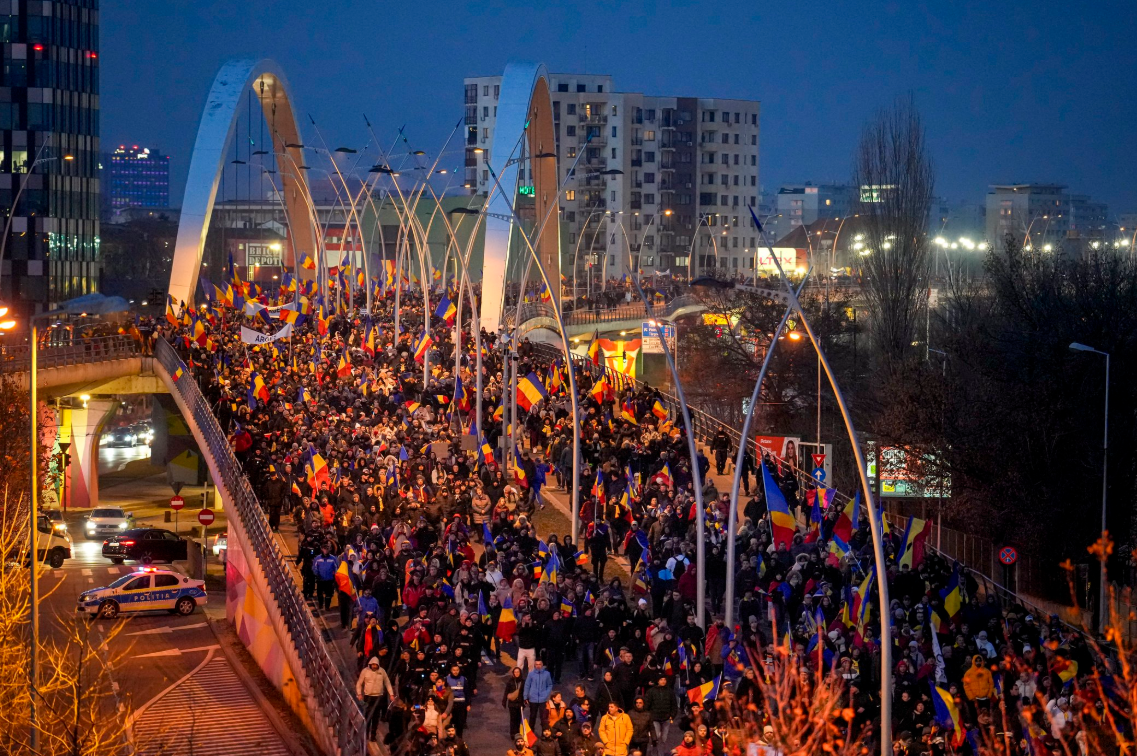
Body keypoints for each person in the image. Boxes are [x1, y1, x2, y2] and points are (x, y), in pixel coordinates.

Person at [355, 656, 395, 742]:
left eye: (375, 665)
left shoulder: (382, 671)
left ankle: (373, 735)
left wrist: (391, 694)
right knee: (367, 716)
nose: (374, 666)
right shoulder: (365, 671)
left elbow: (387, 683)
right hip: (368, 697)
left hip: (378, 697)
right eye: (373, 665)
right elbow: (359, 683)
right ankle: (366, 733)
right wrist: (359, 694)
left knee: (376, 717)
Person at [524, 659, 554, 730]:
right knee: (532, 717)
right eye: (536, 664)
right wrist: (525, 697)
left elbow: (549, 685)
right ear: (534, 665)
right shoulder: (531, 674)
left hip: (543, 700)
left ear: (542, 665)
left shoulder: (547, 674)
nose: (538, 666)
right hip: (533, 699)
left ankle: (544, 734)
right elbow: (527, 685)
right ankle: (531, 734)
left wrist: (546, 694)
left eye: (539, 664)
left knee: (543, 718)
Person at [502, 666, 526, 739]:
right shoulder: (510, 681)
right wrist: (504, 701)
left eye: (518, 672)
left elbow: (524, 692)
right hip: (512, 704)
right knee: (513, 719)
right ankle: (512, 734)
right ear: (513, 673)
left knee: (519, 719)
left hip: (520, 703)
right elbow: (506, 691)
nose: (516, 673)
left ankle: (518, 733)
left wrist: (525, 701)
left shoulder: (523, 681)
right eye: (515, 672)